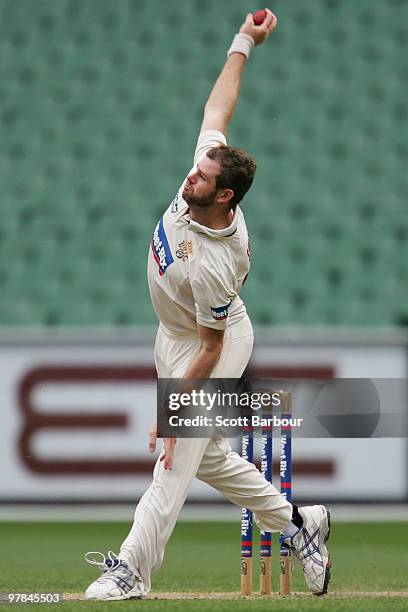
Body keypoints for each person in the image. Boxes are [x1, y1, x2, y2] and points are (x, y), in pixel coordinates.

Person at [84, 9, 331, 600]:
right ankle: (301, 526)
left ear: (224, 195)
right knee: (211, 458)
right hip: (174, 336)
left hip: (210, 345)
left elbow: (214, 345)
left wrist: (174, 405)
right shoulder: (204, 179)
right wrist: (244, 40)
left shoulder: (218, 263)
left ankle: (131, 571)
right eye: (196, 167)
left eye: (200, 177)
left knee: (174, 454)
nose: (189, 176)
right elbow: (216, 111)